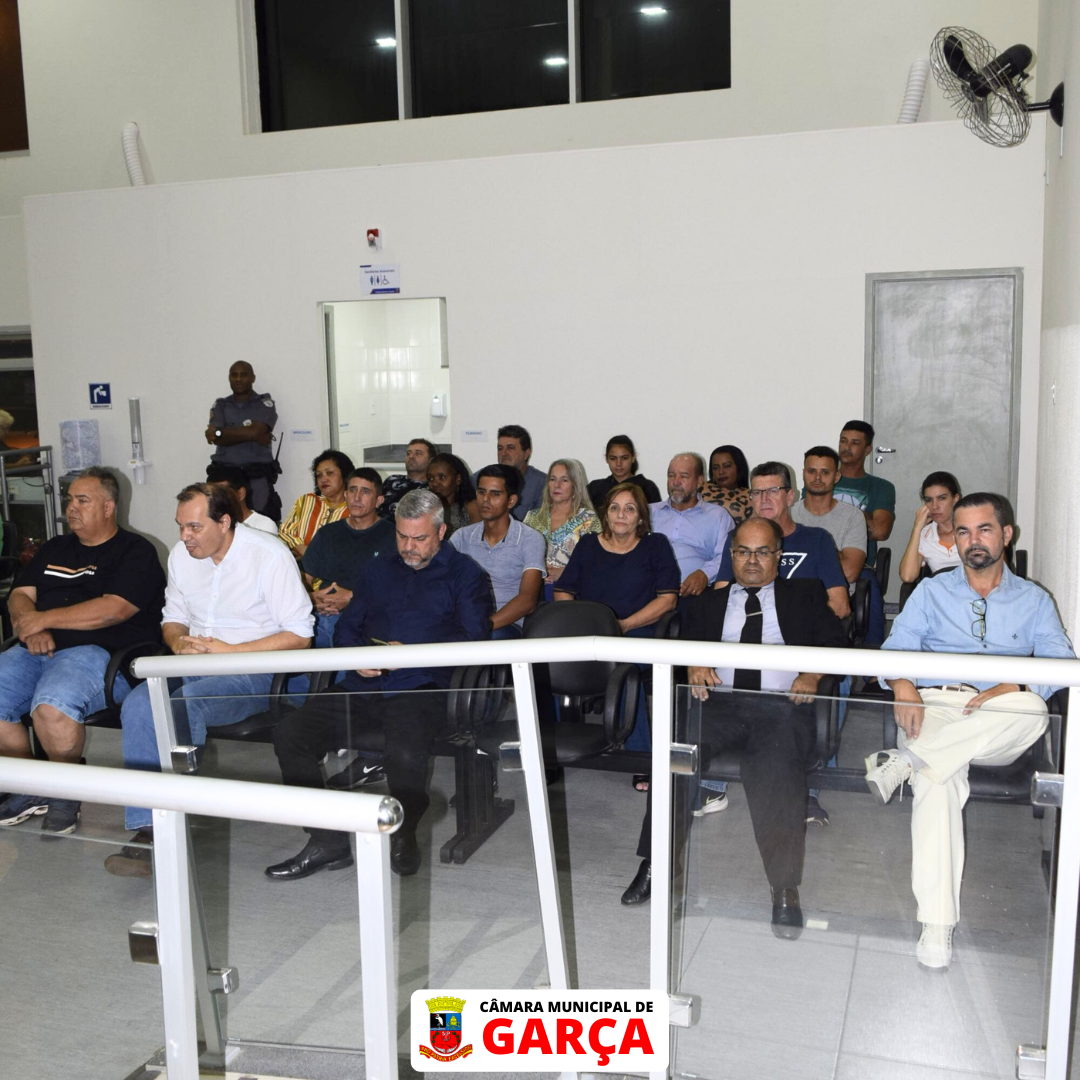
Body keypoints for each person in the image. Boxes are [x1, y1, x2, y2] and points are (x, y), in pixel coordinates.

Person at [867, 493, 1074, 971]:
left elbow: (1061, 662)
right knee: (937, 784)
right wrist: (901, 683)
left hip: (1000, 715)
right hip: (935, 705)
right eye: (963, 531)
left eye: (984, 529)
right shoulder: (931, 592)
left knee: (1032, 707)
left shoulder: (1033, 600)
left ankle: (909, 760)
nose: (973, 540)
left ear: (1006, 535)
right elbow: (895, 648)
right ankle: (936, 924)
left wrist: (1016, 684)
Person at [622, 516, 848, 942]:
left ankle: (784, 887)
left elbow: (838, 645)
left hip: (781, 709)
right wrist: (693, 663)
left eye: (763, 552)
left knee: (776, 771)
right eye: (743, 552)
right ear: (731, 555)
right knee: (674, 757)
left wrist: (813, 673)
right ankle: (656, 863)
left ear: (778, 556)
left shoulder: (804, 594)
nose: (752, 561)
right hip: (718, 707)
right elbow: (680, 648)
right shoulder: (709, 602)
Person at [265, 489, 493, 880]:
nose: (408, 547)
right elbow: (348, 628)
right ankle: (327, 840)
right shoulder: (378, 569)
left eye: (419, 538)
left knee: (403, 751)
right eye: (402, 536)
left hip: (424, 687)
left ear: (441, 532)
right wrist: (359, 656)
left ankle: (404, 832)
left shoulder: (466, 575)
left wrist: (414, 654)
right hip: (365, 684)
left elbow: (474, 640)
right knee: (291, 733)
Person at [107, 483, 313, 876]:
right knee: (138, 703)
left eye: (194, 527)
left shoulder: (269, 555)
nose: (185, 536)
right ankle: (149, 826)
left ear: (225, 522)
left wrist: (230, 652)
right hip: (196, 661)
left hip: (254, 669)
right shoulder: (182, 557)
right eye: (181, 526)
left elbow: (300, 635)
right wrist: (178, 642)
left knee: (183, 707)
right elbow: (172, 619)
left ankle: (169, 825)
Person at [0, 467, 165, 836]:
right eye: (69, 499)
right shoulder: (55, 548)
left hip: (100, 652)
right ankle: (32, 786)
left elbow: (113, 610)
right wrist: (32, 625)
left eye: (82, 500)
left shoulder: (136, 552)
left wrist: (41, 620)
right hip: (36, 648)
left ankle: (64, 794)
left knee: (51, 708)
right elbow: (20, 595)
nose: (71, 507)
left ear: (108, 507)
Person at [556, 482, 680, 757]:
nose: (621, 514)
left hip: (638, 632)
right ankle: (553, 749)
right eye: (614, 508)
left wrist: (623, 625)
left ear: (640, 518)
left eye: (629, 509)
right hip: (590, 633)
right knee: (553, 662)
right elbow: (563, 591)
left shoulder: (655, 545)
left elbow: (667, 600)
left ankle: (638, 756)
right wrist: (580, 626)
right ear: (606, 514)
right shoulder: (588, 545)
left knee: (623, 668)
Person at [714, 463, 850, 620]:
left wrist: (794, 626)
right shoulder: (738, 539)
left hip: (804, 628)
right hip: (748, 626)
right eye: (757, 493)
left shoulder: (818, 539)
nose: (764, 499)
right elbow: (720, 600)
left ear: (790, 497)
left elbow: (840, 606)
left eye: (773, 491)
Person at [302, 468, 396, 649]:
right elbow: (304, 578)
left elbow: (398, 589)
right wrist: (310, 599)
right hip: (319, 617)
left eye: (365, 491)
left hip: (365, 618)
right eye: (352, 490)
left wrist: (354, 598)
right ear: (345, 495)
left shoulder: (393, 536)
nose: (357, 497)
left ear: (379, 501)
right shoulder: (327, 533)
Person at [450, 465, 545, 638]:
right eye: (481, 492)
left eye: (495, 494)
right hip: (463, 621)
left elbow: (528, 600)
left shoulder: (530, 539)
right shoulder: (461, 537)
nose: (485, 499)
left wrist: (484, 625)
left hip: (504, 625)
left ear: (511, 501)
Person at [650, 453, 734, 608]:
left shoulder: (718, 516)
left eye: (684, 476)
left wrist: (705, 574)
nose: (676, 482)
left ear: (699, 481)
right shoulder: (649, 512)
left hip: (691, 594)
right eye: (671, 475)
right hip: (648, 591)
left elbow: (726, 557)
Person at [205, 361, 281, 520]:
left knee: (260, 522)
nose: (238, 379)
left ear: (253, 378)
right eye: (234, 375)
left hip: (256, 476)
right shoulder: (221, 405)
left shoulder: (264, 403)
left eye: (243, 375)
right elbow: (214, 437)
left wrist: (222, 433)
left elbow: (256, 431)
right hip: (224, 477)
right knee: (218, 521)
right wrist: (251, 434)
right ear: (229, 378)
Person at [790, 446, 867, 585]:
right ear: (803, 474)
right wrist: (832, 556)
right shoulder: (789, 513)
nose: (817, 478)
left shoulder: (853, 516)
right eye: (811, 471)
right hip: (792, 591)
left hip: (835, 593)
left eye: (825, 472)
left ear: (837, 476)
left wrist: (804, 554)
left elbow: (849, 573)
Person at [523, 459, 601, 590]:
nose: (557, 485)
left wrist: (567, 572)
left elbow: (597, 561)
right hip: (533, 589)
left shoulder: (588, 519)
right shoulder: (532, 517)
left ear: (575, 485)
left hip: (572, 590)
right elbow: (518, 555)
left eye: (564, 480)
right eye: (552, 479)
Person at [835, 420, 895, 566]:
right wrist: (864, 516)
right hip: (817, 561)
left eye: (854, 443)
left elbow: (880, 531)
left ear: (867, 450)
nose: (847, 447)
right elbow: (808, 522)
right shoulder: (821, 480)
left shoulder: (881, 487)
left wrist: (830, 513)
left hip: (860, 565)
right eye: (843, 441)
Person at [278, 449, 354, 558]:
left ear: (345, 475)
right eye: (319, 475)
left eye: (329, 473)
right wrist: (304, 550)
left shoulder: (355, 509)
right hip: (299, 564)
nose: (323, 479)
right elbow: (285, 531)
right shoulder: (306, 501)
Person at [898, 471, 963, 582]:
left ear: (955, 499)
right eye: (929, 500)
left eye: (942, 498)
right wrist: (917, 528)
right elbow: (907, 576)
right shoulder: (925, 534)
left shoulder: (973, 529)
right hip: (941, 591)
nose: (934, 506)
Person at [485, 425, 545, 521]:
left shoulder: (542, 483)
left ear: (526, 454)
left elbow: (541, 522)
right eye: (500, 448)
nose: (504, 453)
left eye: (510, 448)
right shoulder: (482, 480)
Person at [205, 462, 280, 536]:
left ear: (241, 494)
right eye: (212, 495)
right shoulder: (210, 524)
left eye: (222, 494)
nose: (216, 499)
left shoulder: (264, 526)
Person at [587, 435, 662, 507]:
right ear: (607, 459)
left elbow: (657, 515)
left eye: (624, 458)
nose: (618, 463)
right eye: (613, 458)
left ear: (633, 458)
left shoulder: (647, 488)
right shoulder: (594, 488)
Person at [379, 438, 435, 519]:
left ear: (431, 460)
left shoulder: (432, 488)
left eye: (418, 453)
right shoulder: (392, 480)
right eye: (409, 453)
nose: (411, 456)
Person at [426, 452, 479, 534]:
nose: (435, 483)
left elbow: (479, 538)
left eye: (442, 477)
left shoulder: (471, 507)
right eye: (431, 479)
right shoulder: (427, 508)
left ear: (457, 479)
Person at [700, 445, 753, 523]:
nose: (721, 472)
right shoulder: (701, 488)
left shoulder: (750, 496)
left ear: (739, 467)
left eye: (727, 466)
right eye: (715, 468)